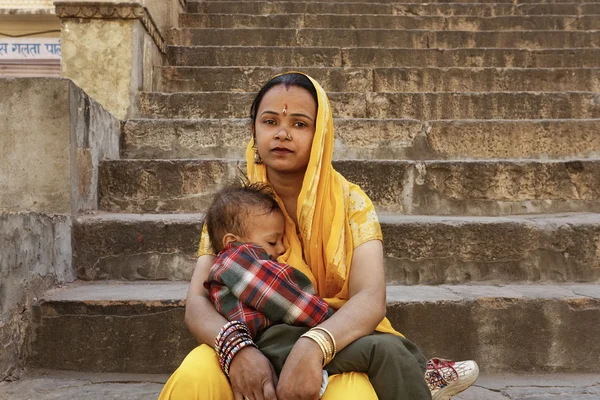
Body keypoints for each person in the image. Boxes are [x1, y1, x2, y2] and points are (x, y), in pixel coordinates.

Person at [159, 72, 478, 400]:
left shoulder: (352, 202)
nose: (283, 133)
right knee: (192, 380)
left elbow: (370, 297)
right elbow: (197, 301)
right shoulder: (236, 209)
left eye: (300, 124)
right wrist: (237, 349)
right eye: (270, 121)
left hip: (339, 338)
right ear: (253, 130)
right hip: (247, 338)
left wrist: (314, 345)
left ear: (321, 133)